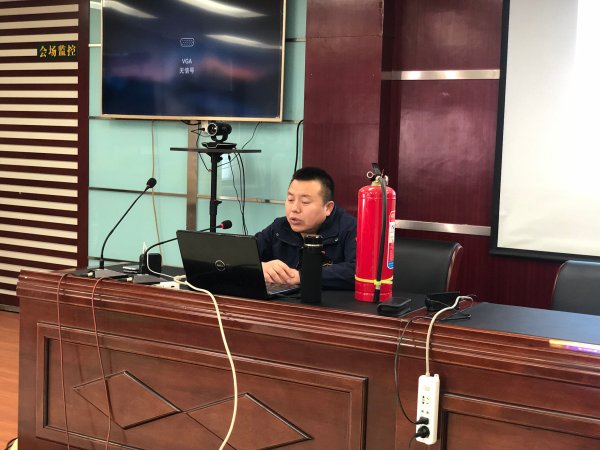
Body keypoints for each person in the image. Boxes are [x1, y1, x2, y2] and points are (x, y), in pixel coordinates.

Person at [255, 167, 357, 290]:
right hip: (284, 300)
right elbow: (243, 256)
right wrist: (260, 267)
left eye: (305, 202)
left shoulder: (350, 229)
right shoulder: (279, 227)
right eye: (290, 199)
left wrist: (302, 276)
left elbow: (357, 271)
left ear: (328, 208)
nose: (294, 208)